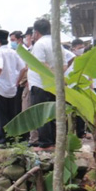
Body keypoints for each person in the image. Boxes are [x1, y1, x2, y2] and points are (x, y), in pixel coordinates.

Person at [29, 18, 67, 150]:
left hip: (40, 84)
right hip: (53, 85)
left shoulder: (40, 44)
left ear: (36, 32)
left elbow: (40, 63)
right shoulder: (57, 44)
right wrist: (57, 76)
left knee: (41, 113)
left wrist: (52, 75)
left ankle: (46, 143)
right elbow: (65, 63)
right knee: (51, 114)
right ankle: (53, 142)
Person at [0, 29, 23, 143]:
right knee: (12, 114)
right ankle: (11, 139)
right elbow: (23, 68)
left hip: (1, 87)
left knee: (1, 115)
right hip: (12, 87)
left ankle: (2, 139)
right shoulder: (13, 52)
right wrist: (17, 81)